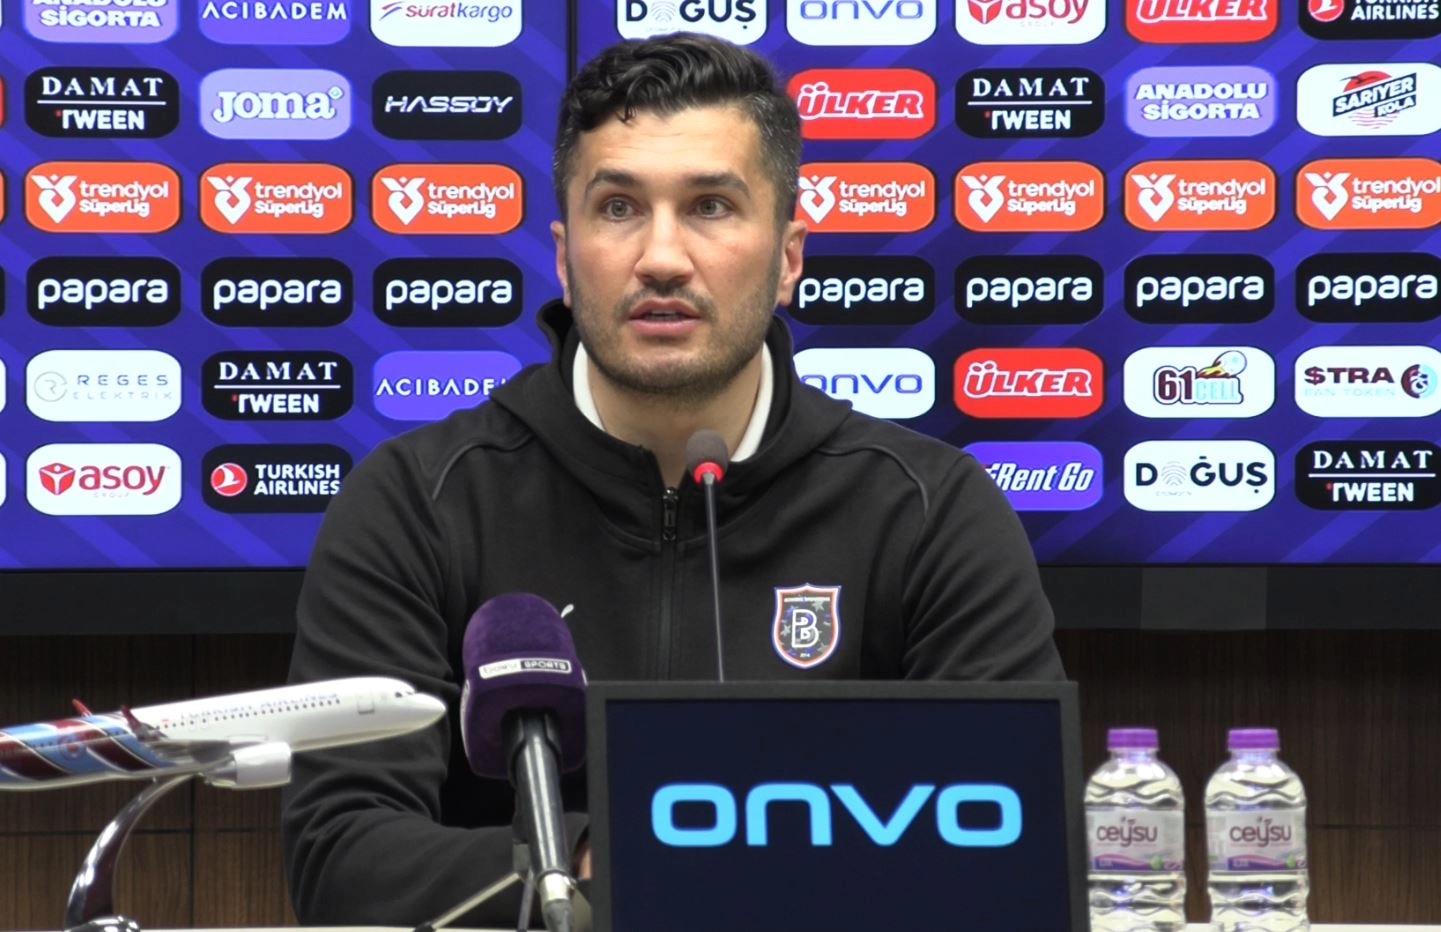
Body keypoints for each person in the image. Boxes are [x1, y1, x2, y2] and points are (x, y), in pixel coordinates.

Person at [281, 31, 1065, 927]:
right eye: (618, 207)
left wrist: (696, 858)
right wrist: (604, 861)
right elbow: (340, 855)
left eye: (710, 206)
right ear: (564, 255)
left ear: (788, 256)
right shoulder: (418, 500)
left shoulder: (927, 509)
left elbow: (1012, 843)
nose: (661, 256)